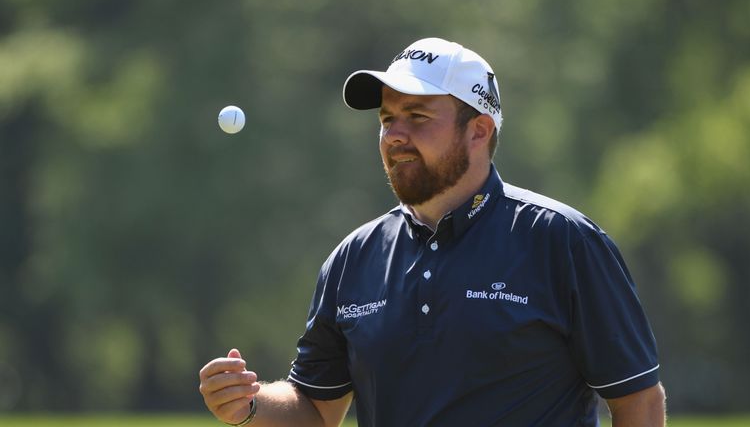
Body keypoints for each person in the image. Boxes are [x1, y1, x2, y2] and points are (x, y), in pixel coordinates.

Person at [199, 37, 666, 427]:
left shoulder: (562, 240)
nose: (394, 135)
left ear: (479, 131)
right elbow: (318, 409)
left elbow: (637, 401)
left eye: (417, 116)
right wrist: (251, 405)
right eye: (386, 119)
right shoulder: (353, 258)